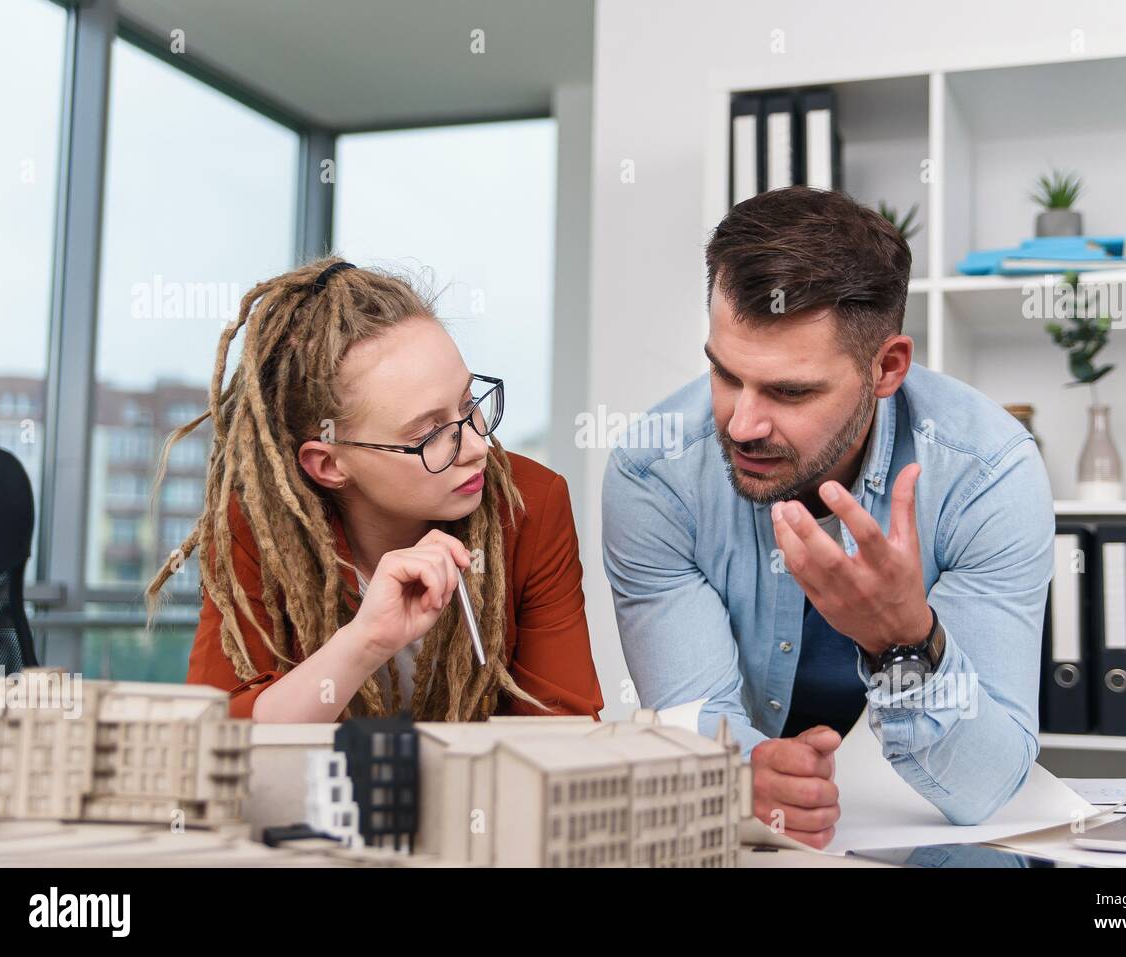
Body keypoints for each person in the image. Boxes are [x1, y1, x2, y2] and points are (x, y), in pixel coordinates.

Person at [602, 186, 1054, 848]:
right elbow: (692, 727)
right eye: (725, 374)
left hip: (923, 831)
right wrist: (737, 774)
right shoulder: (654, 474)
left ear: (886, 367)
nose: (742, 423)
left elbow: (985, 783)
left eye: (790, 391)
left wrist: (904, 640)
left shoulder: (988, 472)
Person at [147, 258, 603, 724]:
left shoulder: (530, 505)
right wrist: (366, 640)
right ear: (328, 464)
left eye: (469, 404)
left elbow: (563, 729)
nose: (475, 445)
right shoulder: (256, 530)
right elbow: (215, 736)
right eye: (427, 434)